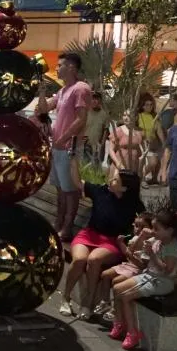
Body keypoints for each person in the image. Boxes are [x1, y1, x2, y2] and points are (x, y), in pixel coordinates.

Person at [59, 170, 144, 319]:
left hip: (112, 241)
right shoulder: (102, 191)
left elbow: (139, 228)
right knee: (79, 260)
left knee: (94, 259)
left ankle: (88, 303)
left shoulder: (135, 206)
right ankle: (66, 298)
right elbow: (78, 183)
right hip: (89, 234)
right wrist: (73, 156)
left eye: (116, 180)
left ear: (124, 188)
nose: (111, 181)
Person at [108, 209, 177, 350]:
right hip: (149, 276)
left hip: (162, 281)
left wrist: (152, 254)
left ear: (169, 231)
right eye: (153, 228)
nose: (153, 231)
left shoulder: (172, 246)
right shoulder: (157, 239)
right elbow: (131, 251)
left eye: (156, 229)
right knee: (116, 288)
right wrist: (141, 237)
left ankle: (133, 332)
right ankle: (120, 322)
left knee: (126, 296)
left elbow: (167, 270)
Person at [36, 53, 91, 241]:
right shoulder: (63, 91)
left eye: (60, 65)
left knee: (70, 191)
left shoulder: (80, 89)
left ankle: (67, 228)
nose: (57, 69)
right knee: (60, 188)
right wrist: (42, 92)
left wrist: (63, 138)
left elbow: (81, 119)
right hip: (58, 147)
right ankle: (58, 222)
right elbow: (42, 109)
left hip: (69, 147)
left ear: (71, 67)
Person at [107, 110, 143, 178]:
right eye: (124, 115)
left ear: (135, 118)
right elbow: (111, 150)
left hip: (133, 168)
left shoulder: (138, 132)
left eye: (128, 116)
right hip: (119, 168)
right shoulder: (118, 131)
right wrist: (118, 163)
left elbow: (140, 151)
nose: (126, 118)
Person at [137, 94, 161, 184]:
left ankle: (151, 179)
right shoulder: (138, 116)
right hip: (143, 143)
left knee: (156, 163)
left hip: (154, 143)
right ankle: (139, 178)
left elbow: (158, 130)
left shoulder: (154, 116)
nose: (149, 107)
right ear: (142, 105)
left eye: (151, 105)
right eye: (147, 105)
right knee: (152, 163)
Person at [83, 92, 109, 164]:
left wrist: (102, 145)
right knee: (83, 168)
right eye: (92, 99)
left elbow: (105, 131)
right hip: (85, 146)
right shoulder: (85, 112)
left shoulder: (104, 115)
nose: (94, 101)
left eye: (96, 99)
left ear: (100, 100)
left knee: (95, 170)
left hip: (97, 148)